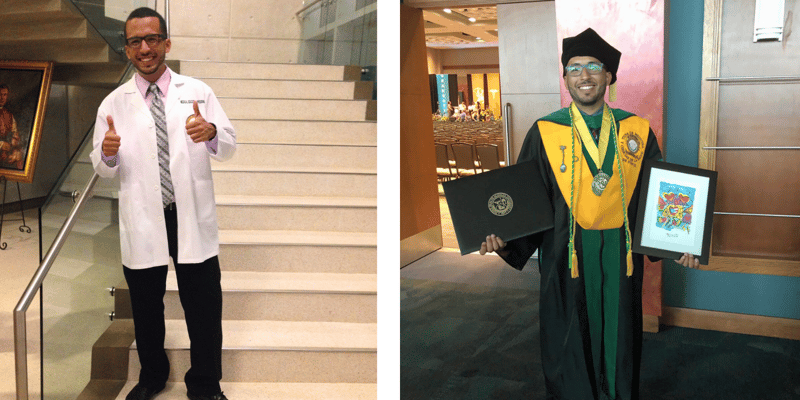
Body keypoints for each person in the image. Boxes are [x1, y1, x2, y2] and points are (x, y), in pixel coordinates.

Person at [479, 28, 699, 400]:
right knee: (567, 338)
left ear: (609, 76)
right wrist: (501, 237)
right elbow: (525, 201)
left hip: (619, 257)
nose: (584, 76)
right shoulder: (546, 131)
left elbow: (655, 198)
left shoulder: (636, 132)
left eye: (594, 67)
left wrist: (679, 242)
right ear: (566, 78)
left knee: (620, 337)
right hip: (568, 258)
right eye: (574, 68)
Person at [90, 7, 235, 400]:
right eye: (135, 41)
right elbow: (102, 169)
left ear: (166, 43)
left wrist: (211, 134)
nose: (145, 47)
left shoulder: (198, 92)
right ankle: (152, 376)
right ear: (127, 50)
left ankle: (205, 383)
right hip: (143, 219)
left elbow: (229, 145)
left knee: (204, 306)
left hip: (190, 215)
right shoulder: (112, 103)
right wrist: (107, 153)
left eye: (152, 38)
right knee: (146, 307)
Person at [0, 84, 24, 170]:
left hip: (5, 153)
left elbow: (15, 133)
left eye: (4, 95)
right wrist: (1, 144)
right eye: (0, 94)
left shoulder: (9, 115)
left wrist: (15, 145)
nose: (2, 98)